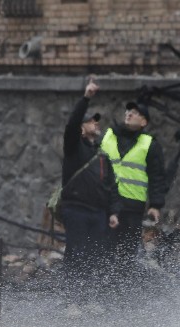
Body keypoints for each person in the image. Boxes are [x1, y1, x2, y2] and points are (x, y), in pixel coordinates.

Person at [59, 77, 121, 278]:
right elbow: (72, 123)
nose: (95, 122)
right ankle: (73, 303)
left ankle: (90, 302)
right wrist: (86, 98)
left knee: (97, 260)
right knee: (76, 258)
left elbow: (110, 185)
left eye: (96, 120)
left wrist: (113, 212)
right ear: (81, 128)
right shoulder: (73, 147)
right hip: (76, 211)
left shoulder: (102, 155)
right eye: (90, 120)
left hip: (98, 214)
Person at [99, 99, 168, 263]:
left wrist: (155, 205)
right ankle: (102, 286)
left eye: (135, 112)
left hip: (132, 207)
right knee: (102, 251)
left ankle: (124, 286)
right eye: (128, 111)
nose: (129, 113)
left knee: (127, 254)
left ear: (144, 121)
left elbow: (157, 176)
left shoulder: (149, 144)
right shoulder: (108, 136)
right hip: (106, 204)